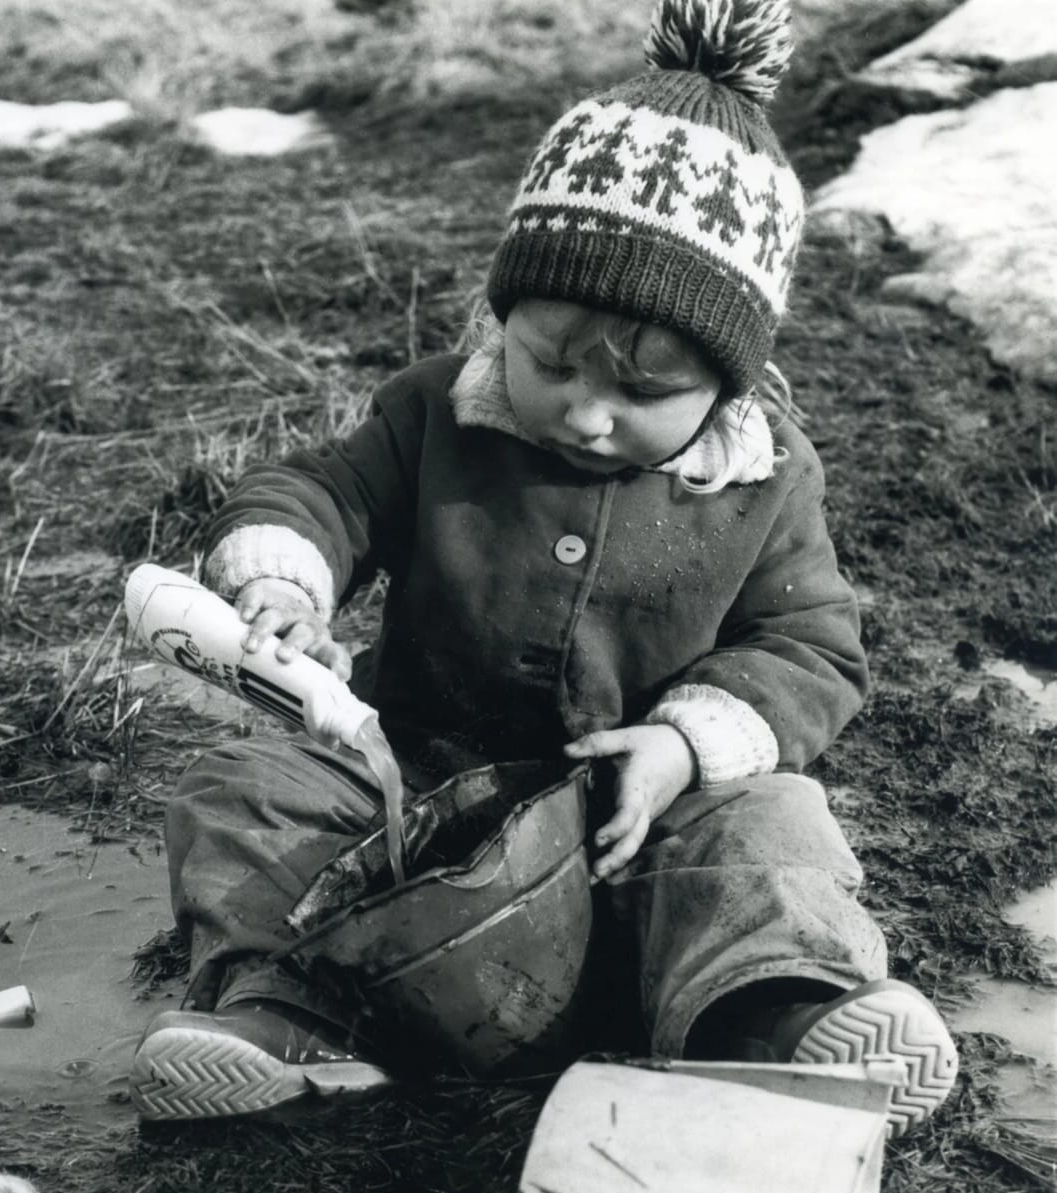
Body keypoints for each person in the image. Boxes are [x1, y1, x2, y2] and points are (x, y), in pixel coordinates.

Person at [129, 0, 958, 1134]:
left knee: (774, 825)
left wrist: (685, 744)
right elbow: (323, 490)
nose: (589, 413)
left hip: (636, 832)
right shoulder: (436, 415)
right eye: (551, 362)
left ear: (730, 383)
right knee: (248, 792)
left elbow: (812, 647)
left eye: (644, 392)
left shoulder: (765, 481)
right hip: (414, 805)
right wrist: (286, 574)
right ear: (500, 317)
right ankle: (289, 1010)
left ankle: (767, 1019)